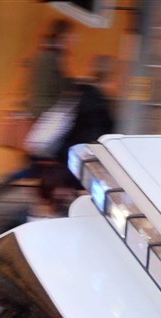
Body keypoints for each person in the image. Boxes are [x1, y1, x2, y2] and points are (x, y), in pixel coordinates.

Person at [0, 17, 73, 209]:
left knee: (34, 169)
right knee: (40, 168)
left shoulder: (43, 55)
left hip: (37, 118)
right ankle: (46, 209)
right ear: (63, 35)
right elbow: (56, 87)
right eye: (71, 37)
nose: (73, 41)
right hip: (43, 122)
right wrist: (75, 85)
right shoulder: (52, 58)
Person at [36, 56, 119, 218]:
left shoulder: (87, 93)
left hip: (75, 152)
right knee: (80, 191)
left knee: (73, 190)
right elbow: (97, 129)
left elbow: (75, 125)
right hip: (86, 153)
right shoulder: (98, 98)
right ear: (109, 74)